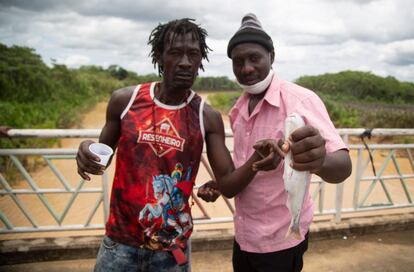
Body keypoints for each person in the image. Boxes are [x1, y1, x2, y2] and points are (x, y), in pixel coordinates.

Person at [76, 18, 277, 272]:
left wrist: (257, 160)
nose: (185, 62)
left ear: (200, 60)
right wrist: (85, 148)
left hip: (172, 252)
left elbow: (227, 184)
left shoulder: (206, 116)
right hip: (120, 245)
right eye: (175, 53)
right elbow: (100, 161)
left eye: (193, 54)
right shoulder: (125, 101)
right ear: (159, 56)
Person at [200, 13, 352, 272]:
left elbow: (343, 166)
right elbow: (244, 164)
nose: (246, 68)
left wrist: (319, 160)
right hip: (245, 236)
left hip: (282, 239)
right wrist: (220, 182)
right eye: (238, 62)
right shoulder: (238, 109)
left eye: (254, 58)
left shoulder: (300, 101)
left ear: (272, 56)